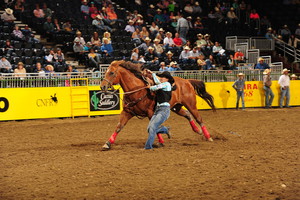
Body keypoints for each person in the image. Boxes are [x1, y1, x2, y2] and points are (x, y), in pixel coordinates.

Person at [144, 70, 174, 149]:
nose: (161, 78)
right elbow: (158, 83)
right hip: (159, 110)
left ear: (167, 79)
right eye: (161, 77)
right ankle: (165, 129)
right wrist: (152, 74)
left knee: (152, 128)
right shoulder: (164, 84)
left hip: (164, 110)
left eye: (163, 77)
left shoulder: (167, 84)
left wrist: (150, 87)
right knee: (149, 129)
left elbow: (157, 86)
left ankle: (148, 147)